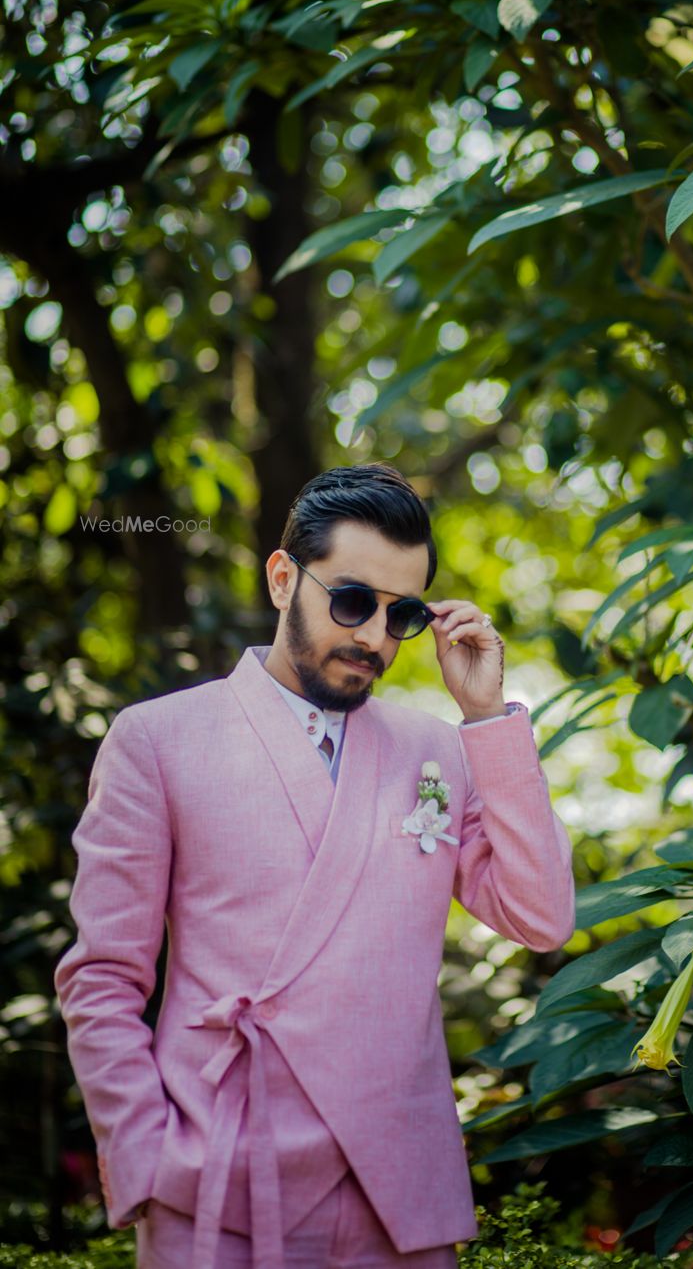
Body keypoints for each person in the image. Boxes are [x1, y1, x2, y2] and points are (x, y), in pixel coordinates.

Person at [54, 463, 576, 1269]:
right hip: (220, 1176)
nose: (373, 635)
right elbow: (102, 978)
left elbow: (540, 917)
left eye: (400, 614)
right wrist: (149, 1160)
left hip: (398, 1189)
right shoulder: (157, 741)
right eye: (352, 600)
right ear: (282, 578)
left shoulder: (439, 749)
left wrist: (486, 720)